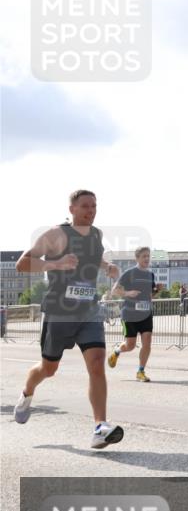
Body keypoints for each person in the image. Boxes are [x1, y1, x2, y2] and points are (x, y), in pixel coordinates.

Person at [12, 189, 125, 448]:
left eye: (94, 206)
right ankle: (27, 392)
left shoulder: (96, 235)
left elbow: (94, 258)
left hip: (89, 310)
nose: (91, 210)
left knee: (97, 363)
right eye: (85, 206)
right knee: (48, 369)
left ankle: (100, 427)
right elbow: (22, 263)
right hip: (59, 312)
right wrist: (55, 264)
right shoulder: (56, 234)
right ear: (72, 209)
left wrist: (107, 267)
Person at [107, 246, 162, 382]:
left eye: (148, 256)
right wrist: (127, 293)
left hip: (145, 313)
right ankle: (117, 351)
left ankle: (140, 371)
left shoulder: (150, 275)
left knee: (147, 342)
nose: (147, 259)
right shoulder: (129, 273)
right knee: (130, 345)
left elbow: (150, 295)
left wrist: (158, 290)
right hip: (130, 314)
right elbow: (114, 291)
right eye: (144, 256)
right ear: (137, 258)